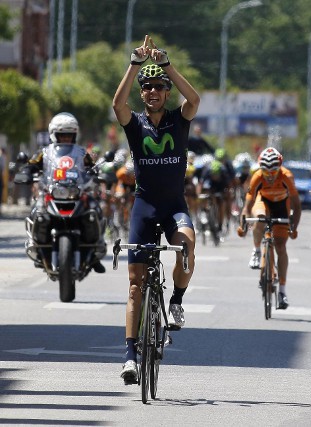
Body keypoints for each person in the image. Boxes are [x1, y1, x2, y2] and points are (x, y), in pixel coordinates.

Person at [112, 34, 200, 385]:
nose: (152, 92)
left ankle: (176, 300)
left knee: (188, 245)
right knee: (135, 285)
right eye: (146, 88)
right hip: (145, 207)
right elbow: (117, 104)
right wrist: (133, 65)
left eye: (159, 87)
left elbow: (194, 98)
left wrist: (167, 64)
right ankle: (131, 356)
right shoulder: (135, 124)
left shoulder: (180, 119)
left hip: (174, 205)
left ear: (166, 92)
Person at [23, 112, 107, 273]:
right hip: (52, 191)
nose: (66, 139)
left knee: (94, 210)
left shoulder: (82, 154)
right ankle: (40, 250)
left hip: (77, 192)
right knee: (38, 211)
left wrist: (100, 173)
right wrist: (26, 172)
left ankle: (93, 253)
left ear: (75, 135)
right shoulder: (45, 153)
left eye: (69, 135)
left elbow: (93, 167)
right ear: (54, 135)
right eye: (62, 135)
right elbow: (32, 163)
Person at [237, 147, 301, 310]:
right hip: (263, 202)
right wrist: (242, 224)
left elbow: (296, 205)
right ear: (261, 169)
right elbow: (248, 204)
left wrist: (294, 227)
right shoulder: (257, 176)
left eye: (273, 172)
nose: (270, 176)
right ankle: (257, 250)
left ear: (279, 168)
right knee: (259, 217)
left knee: (280, 246)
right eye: (267, 172)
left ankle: (282, 291)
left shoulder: (286, 176)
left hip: (281, 206)